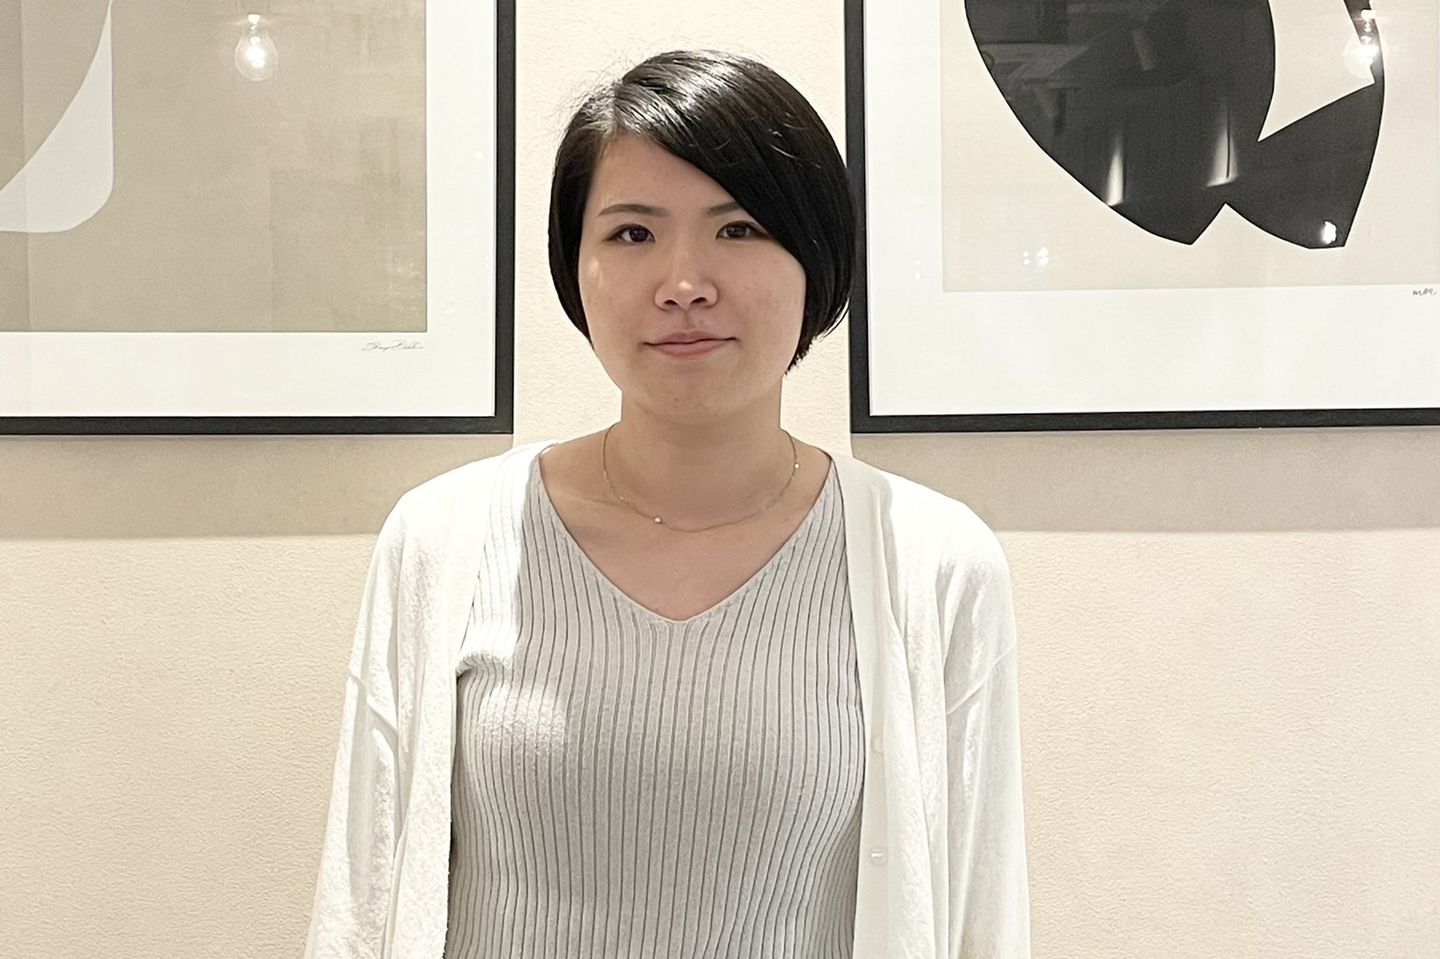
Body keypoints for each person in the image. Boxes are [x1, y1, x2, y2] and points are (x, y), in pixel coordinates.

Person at [304, 49, 1030, 959]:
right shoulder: (441, 538)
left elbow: (979, 916)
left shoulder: (936, 563)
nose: (684, 283)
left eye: (739, 228)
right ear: (576, 270)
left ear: (816, 259)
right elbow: (365, 894)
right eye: (632, 234)